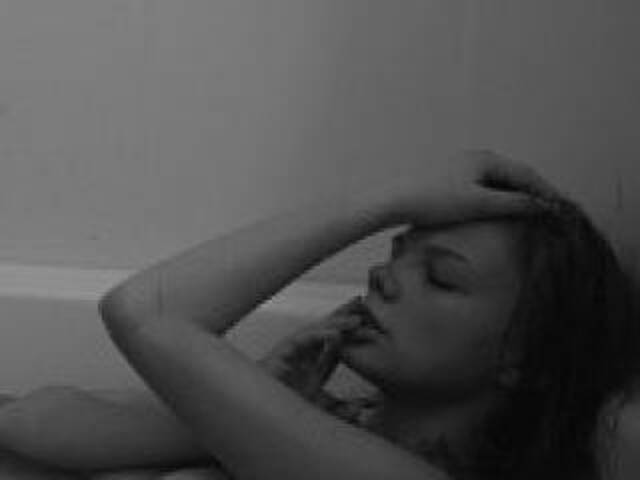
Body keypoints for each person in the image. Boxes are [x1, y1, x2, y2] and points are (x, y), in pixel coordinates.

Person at [0, 150, 638, 479]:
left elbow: (142, 311)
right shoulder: (340, 422)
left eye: (440, 277)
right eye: (396, 252)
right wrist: (247, 402)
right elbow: (32, 421)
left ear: (523, 355)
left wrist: (388, 199)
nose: (383, 275)